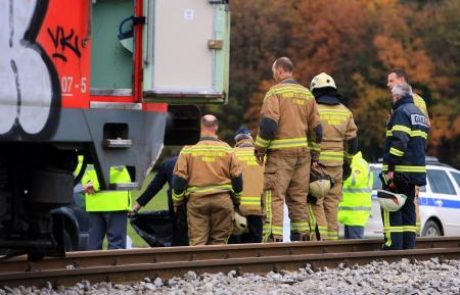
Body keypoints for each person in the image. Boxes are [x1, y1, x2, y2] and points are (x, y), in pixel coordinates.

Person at [254, 57, 322, 242]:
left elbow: (268, 125)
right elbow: (317, 129)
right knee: (299, 198)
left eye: (274, 71)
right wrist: (315, 154)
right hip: (303, 155)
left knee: (273, 196)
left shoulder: (274, 93)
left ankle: (272, 239)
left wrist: (259, 148)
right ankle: (304, 238)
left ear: (279, 71)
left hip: (280, 154)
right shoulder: (307, 95)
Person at [172, 114, 243, 246]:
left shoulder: (188, 149)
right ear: (216, 127)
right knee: (219, 242)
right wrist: (237, 200)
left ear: (200, 127)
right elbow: (237, 178)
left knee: (198, 242)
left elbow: (179, 179)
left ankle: (198, 267)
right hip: (222, 201)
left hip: (197, 201)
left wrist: (177, 201)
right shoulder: (227, 149)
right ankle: (216, 266)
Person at [309, 72, 358, 240]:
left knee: (317, 203)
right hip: (337, 167)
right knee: (332, 206)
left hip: (317, 165)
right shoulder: (345, 112)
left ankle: (320, 243)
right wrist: (347, 163)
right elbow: (353, 143)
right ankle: (332, 244)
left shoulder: (313, 110)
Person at [381, 82, 429, 250]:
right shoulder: (419, 113)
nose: (392, 100)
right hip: (415, 172)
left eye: (393, 96)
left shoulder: (401, 113)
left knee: (391, 206)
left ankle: (393, 246)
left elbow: (400, 143)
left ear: (398, 96)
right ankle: (408, 248)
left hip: (400, 171)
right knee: (408, 210)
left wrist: (390, 168)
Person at [131, 155, 189, 246]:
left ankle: (177, 256)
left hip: (176, 205)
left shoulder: (168, 164)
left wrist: (137, 207)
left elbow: (154, 186)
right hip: (196, 202)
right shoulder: (196, 162)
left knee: (179, 236)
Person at [82, 165, 132, 250]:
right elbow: (117, 166)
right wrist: (95, 184)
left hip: (94, 202)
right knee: (116, 246)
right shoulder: (119, 151)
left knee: (93, 245)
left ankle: (94, 264)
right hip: (115, 201)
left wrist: (87, 182)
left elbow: (80, 165)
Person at [229, 127, 264, 244]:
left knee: (237, 244)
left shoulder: (231, 154)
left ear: (236, 140)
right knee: (256, 242)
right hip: (259, 207)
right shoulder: (262, 154)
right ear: (251, 138)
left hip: (237, 207)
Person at [338, 151, 373, 239]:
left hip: (356, 214)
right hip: (349, 214)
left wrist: (340, 173)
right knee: (349, 247)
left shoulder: (359, 163)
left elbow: (354, 180)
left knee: (355, 246)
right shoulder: (353, 163)